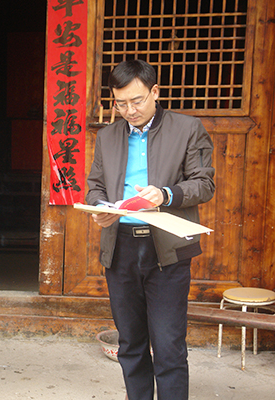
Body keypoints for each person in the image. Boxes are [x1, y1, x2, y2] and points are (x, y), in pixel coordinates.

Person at [86, 60, 215, 400]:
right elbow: (95, 186)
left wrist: (166, 194)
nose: (130, 110)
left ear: (155, 92)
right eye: (121, 103)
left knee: (169, 344)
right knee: (130, 342)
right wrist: (100, 208)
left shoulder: (187, 128)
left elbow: (204, 184)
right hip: (121, 249)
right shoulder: (108, 136)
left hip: (167, 250)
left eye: (137, 100)